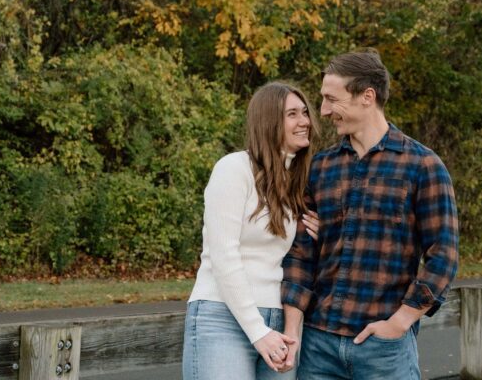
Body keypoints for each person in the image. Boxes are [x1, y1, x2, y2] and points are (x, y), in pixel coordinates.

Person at [281, 49, 458, 380]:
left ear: (367, 96)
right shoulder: (321, 167)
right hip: (319, 346)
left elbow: (444, 257)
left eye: (331, 99)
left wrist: (400, 322)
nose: (323, 111)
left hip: (384, 350)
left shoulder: (422, 166)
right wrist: (294, 330)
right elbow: (300, 256)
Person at [183, 81, 319, 379]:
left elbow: (296, 259)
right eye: (293, 114)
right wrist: (257, 331)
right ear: (269, 121)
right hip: (222, 317)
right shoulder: (233, 169)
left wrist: (323, 236)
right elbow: (224, 255)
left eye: (305, 113)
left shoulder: (295, 182)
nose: (305, 121)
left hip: (277, 320)